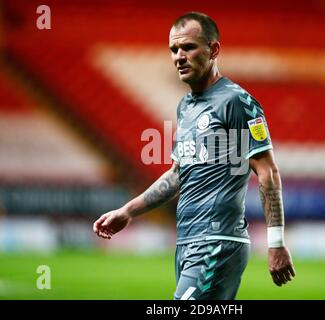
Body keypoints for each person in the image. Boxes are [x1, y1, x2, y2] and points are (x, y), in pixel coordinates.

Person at [93, 11, 295, 300]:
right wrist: (128, 211)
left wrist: (276, 242)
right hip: (187, 242)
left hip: (217, 242)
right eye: (174, 49)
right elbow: (177, 174)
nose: (178, 56)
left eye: (188, 47)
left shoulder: (236, 101)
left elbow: (267, 171)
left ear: (213, 50)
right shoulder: (186, 107)